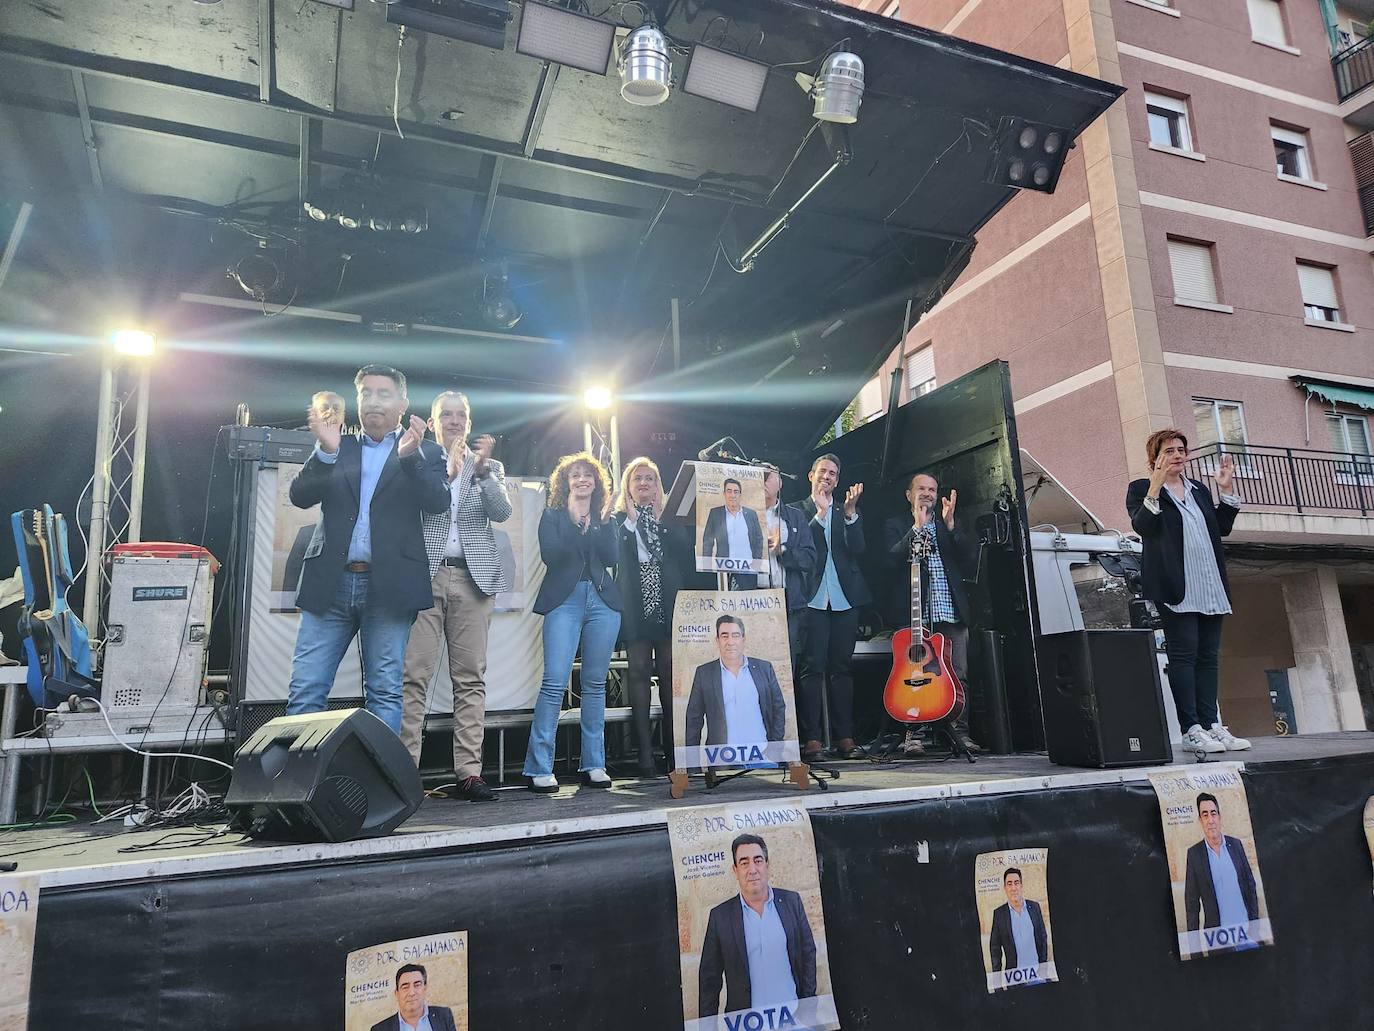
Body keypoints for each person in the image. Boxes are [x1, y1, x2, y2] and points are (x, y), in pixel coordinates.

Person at [286, 365, 449, 733]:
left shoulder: (425, 451)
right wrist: (325, 454)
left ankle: (379, 787)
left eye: (383, 394)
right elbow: (299, 496)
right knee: (306, 688)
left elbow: (438, 501)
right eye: (366, 394)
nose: (373, 401)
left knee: (385, 691)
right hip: (331, 583)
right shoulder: (337, 446)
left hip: (388, 588)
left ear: (403, 402)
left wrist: (410, 459)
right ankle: (300, 786)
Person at [398, 391, 512, 802]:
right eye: (445, 414)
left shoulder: (490, 466)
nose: (454, 420)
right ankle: (405, 772)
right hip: (424, 578)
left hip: (472, 579)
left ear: (469, 419)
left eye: (460, 414)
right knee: (413, 678)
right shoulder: (418, 458)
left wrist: (480, 472)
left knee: (470, 679)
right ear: (432, 421)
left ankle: (469, 773)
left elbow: (502, 513)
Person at [1126, 429, 1251, 755]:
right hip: (1175, 586)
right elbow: (1144, 528)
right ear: (1155, 457)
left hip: (1209, 582)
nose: (1178, 455)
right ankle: (1191, 729)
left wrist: (1225, 492)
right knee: (1184, 656)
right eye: (1170, 450)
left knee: (1208, 658)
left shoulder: (1197, 490)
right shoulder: (1140, 489)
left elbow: (1220, 528)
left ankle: (1212, 725)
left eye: (1182, 449)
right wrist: (1155, 485)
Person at [522, 452, 622, 794]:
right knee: (554, 682)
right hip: (563, 600)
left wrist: (604, 525)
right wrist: (575, 524)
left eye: (588, 475)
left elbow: (611, 558)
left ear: (597, 482)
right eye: (575, 475)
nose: (582, 480)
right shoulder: (552, 515)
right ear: (564, 482)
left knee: (594, 684)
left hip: (602, 601)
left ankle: (594, 763)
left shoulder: (604, 516)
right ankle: (539, 766)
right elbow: (552, 555)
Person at [883, 472, 982, 756]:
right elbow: (889, 560)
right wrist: (915, 528)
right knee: (912, 673)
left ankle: (959, 734)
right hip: (913, 612)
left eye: (932, 489)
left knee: (958, 673)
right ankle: (913, 734)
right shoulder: (896, 525)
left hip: (949, 609)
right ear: (908, 494)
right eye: (921, 489)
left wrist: (951, 526)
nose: (927, 493)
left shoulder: (948, 524)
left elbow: (970, 559)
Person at [614, 457, 693, 777]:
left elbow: (683, 549)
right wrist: (633, 521)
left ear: (658, 485)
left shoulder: (670, 516)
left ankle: (674, 754)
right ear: (628, 487)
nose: (644, 483)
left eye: (649, 478)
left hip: (667, 601)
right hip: (636, 603)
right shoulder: (620, 519)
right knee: (639, 674)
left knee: (670, 675)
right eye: (637, 479)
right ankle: (645, 755)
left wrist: (659, 519)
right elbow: (617, 553)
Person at [797, 454, 870, 760]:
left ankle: (845, 737)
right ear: (811, 476)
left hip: (844, 598)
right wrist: (818, 515)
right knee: (812, 667)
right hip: (812, 598)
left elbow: (859, 549)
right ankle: (812, 739)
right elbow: (800, 547)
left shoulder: (846, 511)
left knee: (842, 668)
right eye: (822, 471)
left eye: (833, 474)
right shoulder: (796, 511)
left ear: (838, 481)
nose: (827, 476)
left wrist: (851, 515)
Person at [699, 833, 817, 1018]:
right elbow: (709, 981)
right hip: (746, 1024)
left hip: (793, 1019)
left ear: (767, 865)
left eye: (758, 860)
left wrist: (808, 1005)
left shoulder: (791, 902)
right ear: (735, 870)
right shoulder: (720, 917)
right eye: (744, 862)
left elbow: (808, 953)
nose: (752, 869)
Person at [747, 463, 817, 666]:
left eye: (768, 476)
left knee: (785, 665)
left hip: (786, 602)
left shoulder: (795, 516)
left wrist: (782, 551)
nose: (763, 480)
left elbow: (810, 558)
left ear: (780, 482)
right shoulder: (740, 515)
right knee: (751, 663)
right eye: (758, 475)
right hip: (751, 599)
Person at [684, 615, 787, 752]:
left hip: (763, 756)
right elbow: (693, 720)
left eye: (736, 635)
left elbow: (778, 707)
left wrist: (775, 747)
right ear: (717, 640)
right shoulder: (704, 673)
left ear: (743, 639)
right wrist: (693, 766)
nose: (730, 642)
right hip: (722, 759)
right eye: (725, 636)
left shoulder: (764, 668)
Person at [1183, 792, 1260, 950]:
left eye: (1213, 813)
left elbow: (1250, 886)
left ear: (1219, 816)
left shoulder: (1236, 845)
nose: (1210, 820)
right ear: (1200, 820)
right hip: (1219, 943)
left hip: (1247, 937)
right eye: (1205, 815)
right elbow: (1192, 906)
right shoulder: (1195, 854)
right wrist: (1195, 951)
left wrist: (1255, 928)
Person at [987, 867, 1048, 977]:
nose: (1013, 887)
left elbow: (1042, 937)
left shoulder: (1034, 907)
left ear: (1021, 885)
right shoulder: (999, 914)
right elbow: (995, 948)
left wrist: (1043, 968)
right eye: (1009, 884)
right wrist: (998, 982)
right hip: (1015, 978)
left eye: (1016, 882)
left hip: (1037, 975)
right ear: (1005, 888)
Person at [370, 963, 457, 1031]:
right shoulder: (380, 1029)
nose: (411, 993)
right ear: (396, 994)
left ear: (425, 988)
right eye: (405, 987)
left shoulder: (444, 1016)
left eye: (417, 985)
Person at [702, 477, 764, 564]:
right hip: (724, 567)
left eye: (736, 492)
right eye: (729, 491)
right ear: (724, 494)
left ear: (740, 494)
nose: (732, 495)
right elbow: (707, 540)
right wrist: (706, 564)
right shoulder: (715, 513)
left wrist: (757, 562)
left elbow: (759, 538)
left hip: (748, 567)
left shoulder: (751, 514)